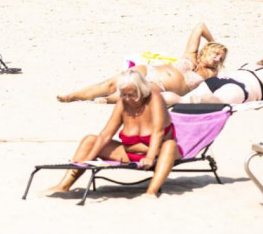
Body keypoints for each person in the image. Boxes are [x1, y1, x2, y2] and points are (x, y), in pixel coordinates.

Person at [47, 70, 177, 197]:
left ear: (141, 91)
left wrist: (149, 157)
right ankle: (63, 186)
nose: (127, 99)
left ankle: (151, 192)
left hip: (158, 154)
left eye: (131, 95)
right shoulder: (123, 102)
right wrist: (88, 160)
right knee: (90, 140)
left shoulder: (154, 98)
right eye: (123, 94)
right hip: (129, 155)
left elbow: (158, 131)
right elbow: (105, 135)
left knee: (170, 145)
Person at [57, 22, 227, 103]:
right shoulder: (190, 55)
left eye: (221, 58)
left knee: (134, 91)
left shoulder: (211, 74)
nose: (217, 58)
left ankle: (109, 100)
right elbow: (200, 27)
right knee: (109, 83)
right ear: (207, 50)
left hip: (162, 86)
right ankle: (73, 96)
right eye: (216, 53)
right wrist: (214, 42)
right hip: (149, 70)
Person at [170, 55, 263, 105]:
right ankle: (199, 100)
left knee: (181, 99)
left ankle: (158, 98)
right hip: (237, 88)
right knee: (217, 100)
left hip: (218, 80)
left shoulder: (248, 65)